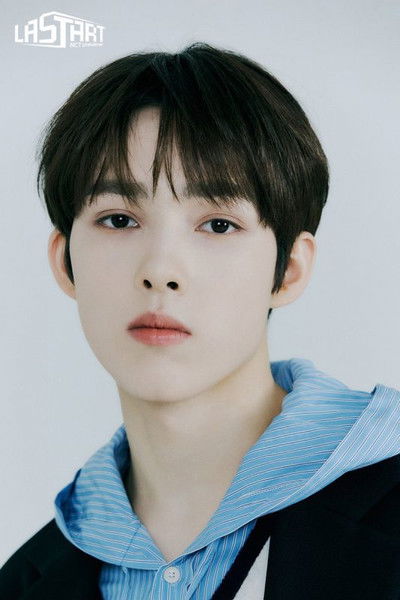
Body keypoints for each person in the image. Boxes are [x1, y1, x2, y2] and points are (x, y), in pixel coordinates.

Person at [1, 42, 399, 600]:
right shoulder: (25, 580)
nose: (160, 271)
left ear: (288, 269)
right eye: (119, 220)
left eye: (217, 225)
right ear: (66, 262)